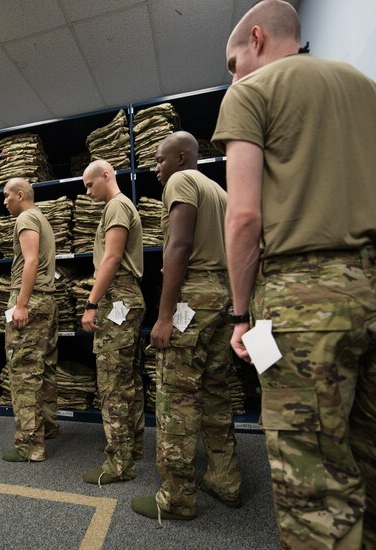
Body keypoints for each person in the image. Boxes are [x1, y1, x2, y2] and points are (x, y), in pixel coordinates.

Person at [212, 1, 376, 547]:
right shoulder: (367, 87)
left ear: (256, 38)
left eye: (232, 61)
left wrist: (240, 314)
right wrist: (358, 221)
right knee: (375, 461)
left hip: (304, 303)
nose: (232, 73)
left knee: (314, 484)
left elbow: (242, 217)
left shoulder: (249, 93)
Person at [132, 131, 242, 522]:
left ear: (181, 157)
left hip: (192, 299)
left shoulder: (181, 182)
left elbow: (177, 247)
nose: (156, 169)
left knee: (176, 401)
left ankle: (177, 498)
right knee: (215, 393)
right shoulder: (220, 191)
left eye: (160, 160)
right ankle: (225, 480)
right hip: (222, 296)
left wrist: (164, 317)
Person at [80, 159, 145, 485]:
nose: (88, 192)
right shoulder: (118, 206)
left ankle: (119, 465)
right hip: (125, 298)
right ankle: (131, 453)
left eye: (90, 185)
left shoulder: (117, 206)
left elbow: (112, 257)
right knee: (127, 381)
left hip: (117, 298)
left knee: (114, 387)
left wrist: (91, 303)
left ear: (106, 176)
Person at [1, 177, 59, 462]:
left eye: (7, 196)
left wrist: (21, 304)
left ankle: (29, 445)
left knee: (23, 372)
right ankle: (46, 427)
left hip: (30, 300)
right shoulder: (42, 219)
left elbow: (31, 260)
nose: (4, 202)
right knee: (44, 368)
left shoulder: (25, 219)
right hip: (46, 299)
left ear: (21, 195)